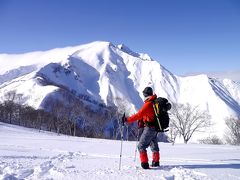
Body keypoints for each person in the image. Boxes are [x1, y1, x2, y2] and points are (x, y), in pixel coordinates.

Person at [124, 87, 160, 169]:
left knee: (141, 146)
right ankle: (156, 162)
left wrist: (127, 120)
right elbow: (148, 115)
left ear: (145, 94)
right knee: (153, 144)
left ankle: (144, 164)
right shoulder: (154, 102)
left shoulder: (148, 104)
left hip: (150, 128)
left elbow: (139, 115)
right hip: (155, 127)